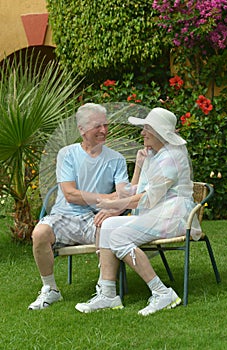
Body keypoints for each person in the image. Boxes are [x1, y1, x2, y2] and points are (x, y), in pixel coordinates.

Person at [75, 107, 202, 316]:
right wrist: (140, 166)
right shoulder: (154, 154)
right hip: (155, 213)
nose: (142, 133)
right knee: (107, 226)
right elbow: (138, 189)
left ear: (159, 132)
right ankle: (107, 294)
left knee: (118, 237)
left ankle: (162, 293)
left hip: (173, 216)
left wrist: (115, 206)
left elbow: (146, 198)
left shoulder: (172, 157)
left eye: (146, 129)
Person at [28, 103, 129, 310]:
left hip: (95, 217)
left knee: (109, 227)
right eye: (97, 126)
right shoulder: (67, 154)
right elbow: (70, 194)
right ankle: (50, 289)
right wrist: (107, 197)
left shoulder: (116, 159)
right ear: (82, 129)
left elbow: (123, 195)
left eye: (105, 125)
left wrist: (111, 206)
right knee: (40, 233)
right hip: (64, 217)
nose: (103, 130)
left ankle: (107, 292)